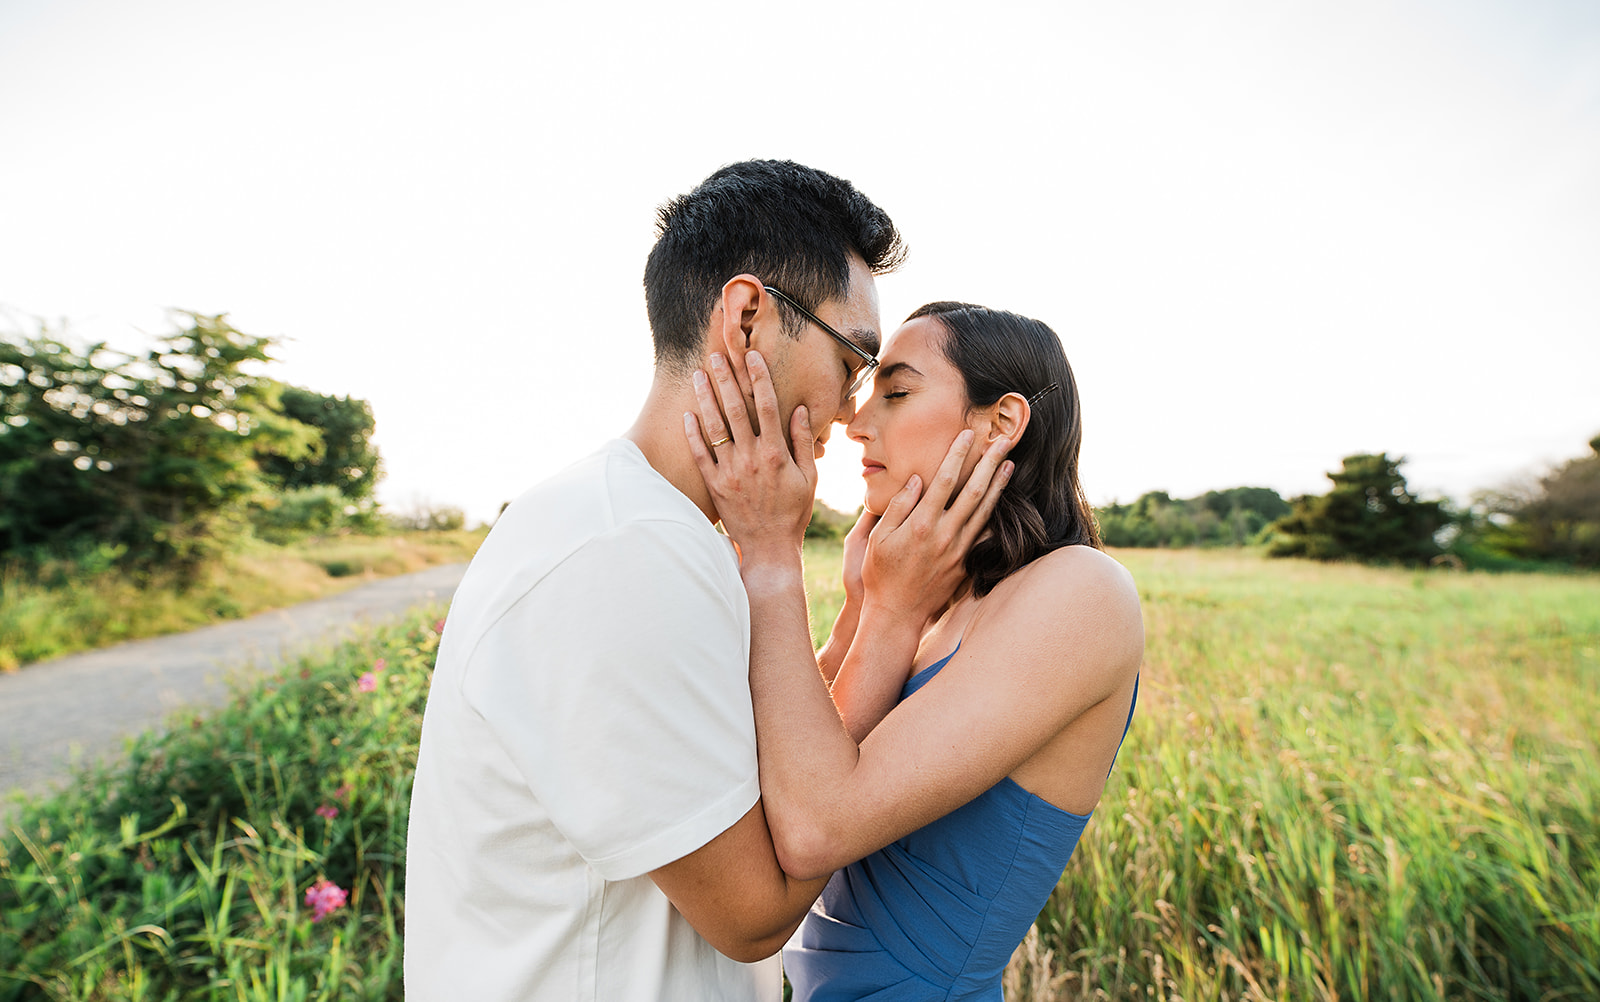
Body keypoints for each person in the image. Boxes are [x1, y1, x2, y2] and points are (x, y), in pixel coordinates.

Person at [403, 160, 907, 1001]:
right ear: (747, 317)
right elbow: (752, 912)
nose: (854, 410)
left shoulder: (641, 527)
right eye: (854, 358)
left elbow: (755, 762)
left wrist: (863, 608)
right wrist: (872, 611)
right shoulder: (626, 553)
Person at [684, 301, 1144, 1001]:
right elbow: (781, 764)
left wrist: (773, 551)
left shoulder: (1080, 592)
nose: (856, 420)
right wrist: (866, 612)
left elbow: (811, 829)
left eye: (896, 392)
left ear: (1001, 423)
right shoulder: (935, 596)